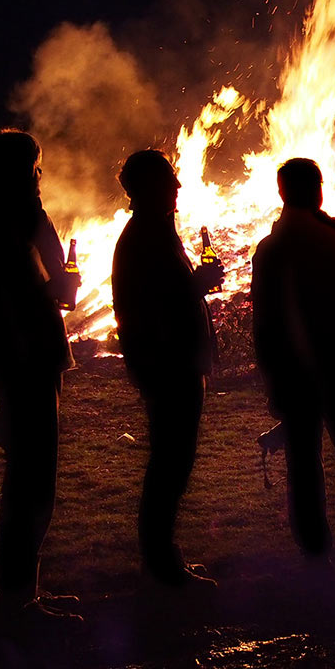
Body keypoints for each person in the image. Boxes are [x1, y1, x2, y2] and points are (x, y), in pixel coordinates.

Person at [0, 129, 81, 624]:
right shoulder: (20, 216)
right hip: (29, 356)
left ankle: (23, 592)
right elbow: (55, 288)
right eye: (36, 166)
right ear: (21, 172)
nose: (41, 174)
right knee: (34, 477)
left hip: (10, 355)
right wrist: (67, 280)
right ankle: (18, 600)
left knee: (27, 472)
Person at [250, 158, 335, 560]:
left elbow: (267, 323)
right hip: (326, 366)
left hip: (313, 368)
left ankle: (321, 547)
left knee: (311, 460)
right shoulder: (312, 239)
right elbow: (271, 320)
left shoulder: (281, 244)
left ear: (281, 192)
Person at [111, 150, 223, 589]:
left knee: (174, 461)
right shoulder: (144, 238)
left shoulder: (158, 233)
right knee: (169, 463)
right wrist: (198, 285)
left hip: (176, 363)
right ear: (149, 188)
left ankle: (162, 559)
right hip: (167, 366)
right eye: (170, 181)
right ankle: (161, 564)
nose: (178, 188)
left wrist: (196, 285)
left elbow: (170, 294)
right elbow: (154, 307)